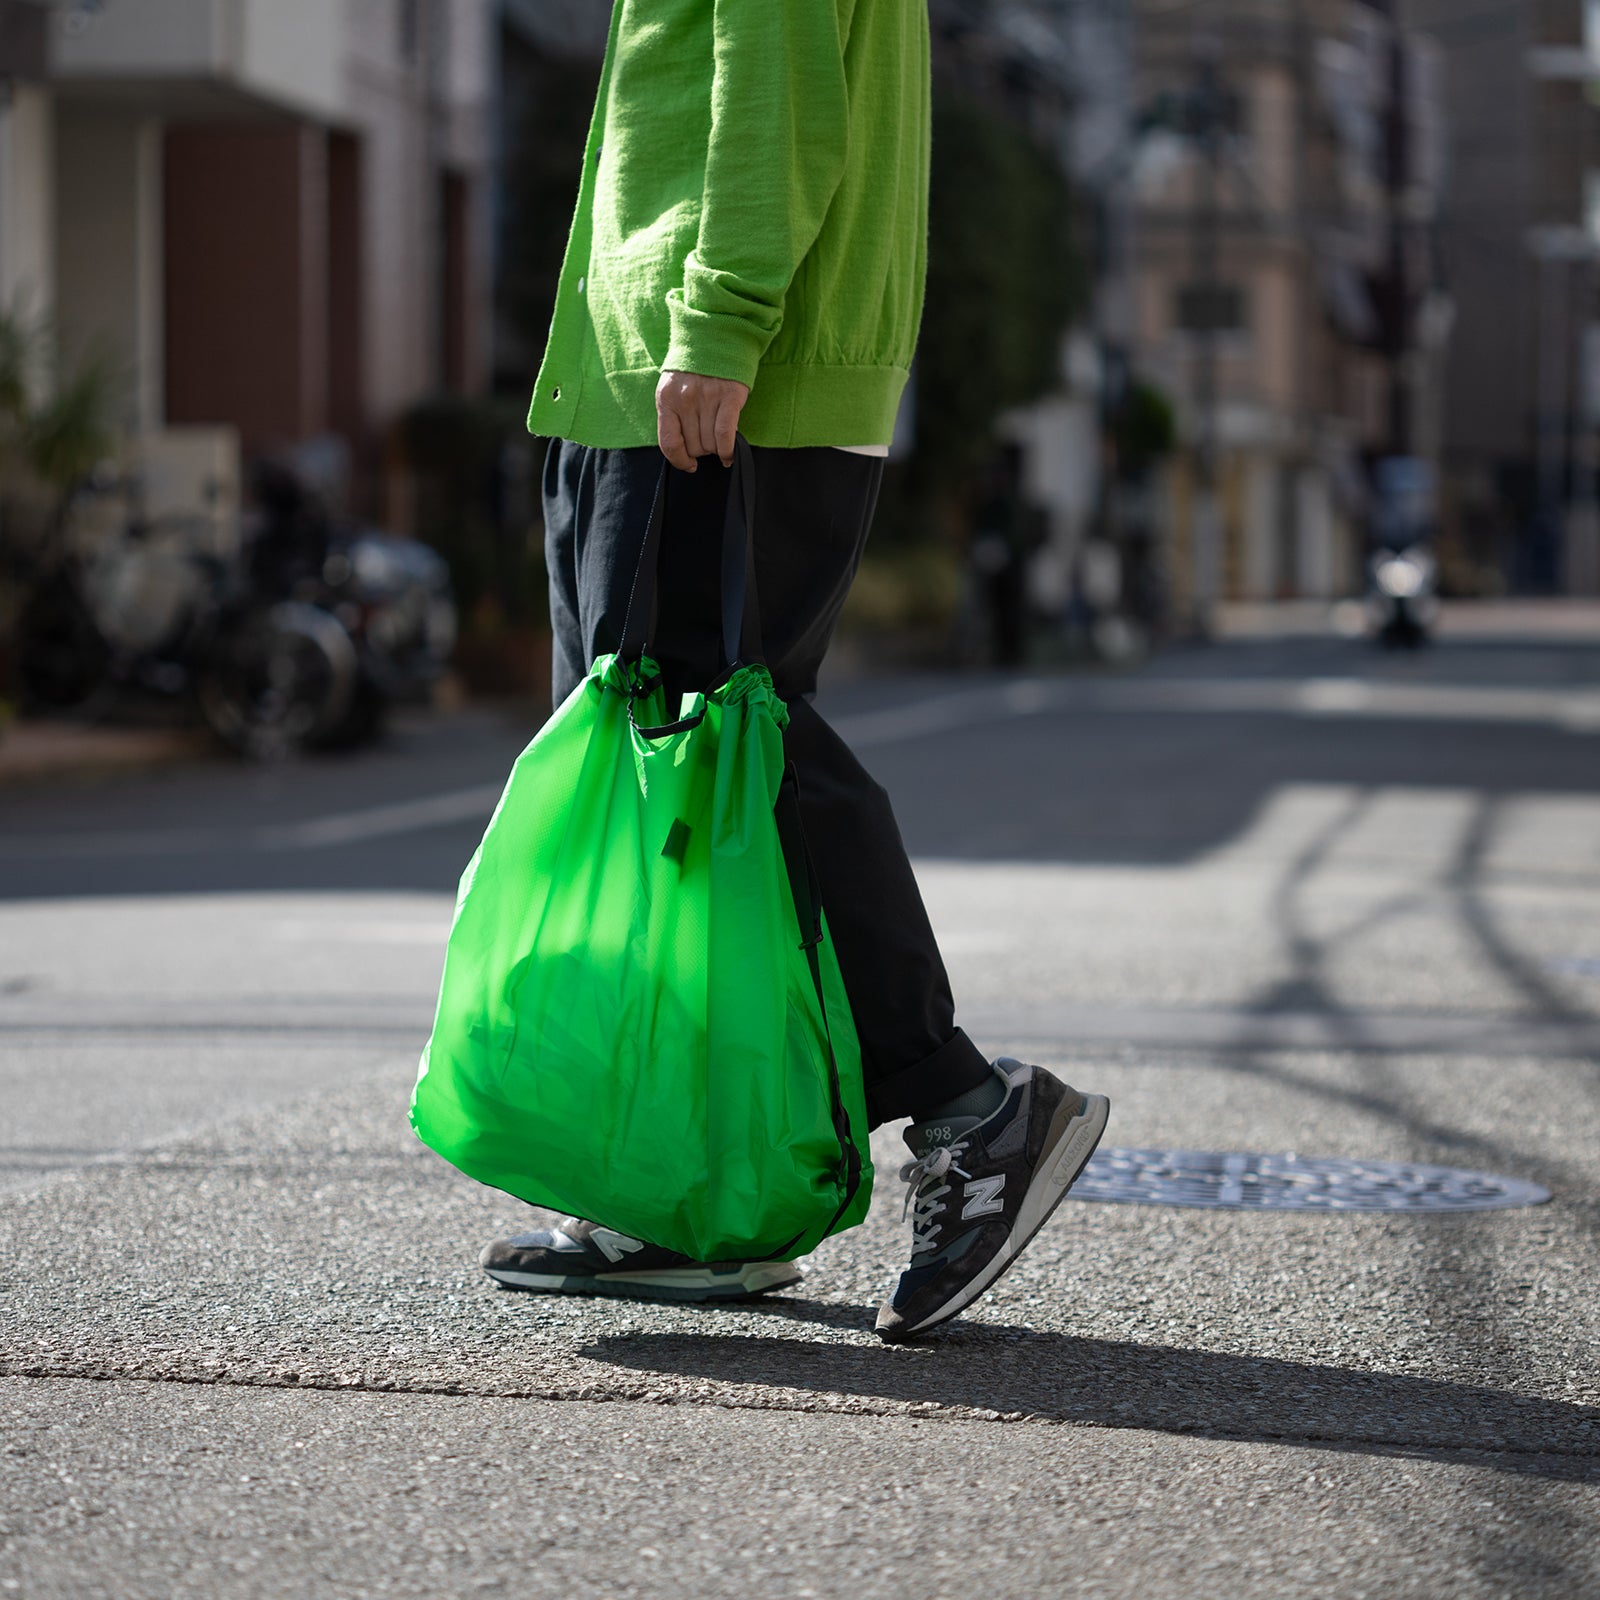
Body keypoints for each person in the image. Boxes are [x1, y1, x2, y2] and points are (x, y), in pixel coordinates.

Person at [478, 0, 1109, 1343]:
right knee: (678, 799)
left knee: (721, 747)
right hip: (659, 377)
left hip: (709, 381)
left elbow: (773, 105)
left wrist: (719, 323)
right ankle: (681, 1191)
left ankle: (968, 1108)